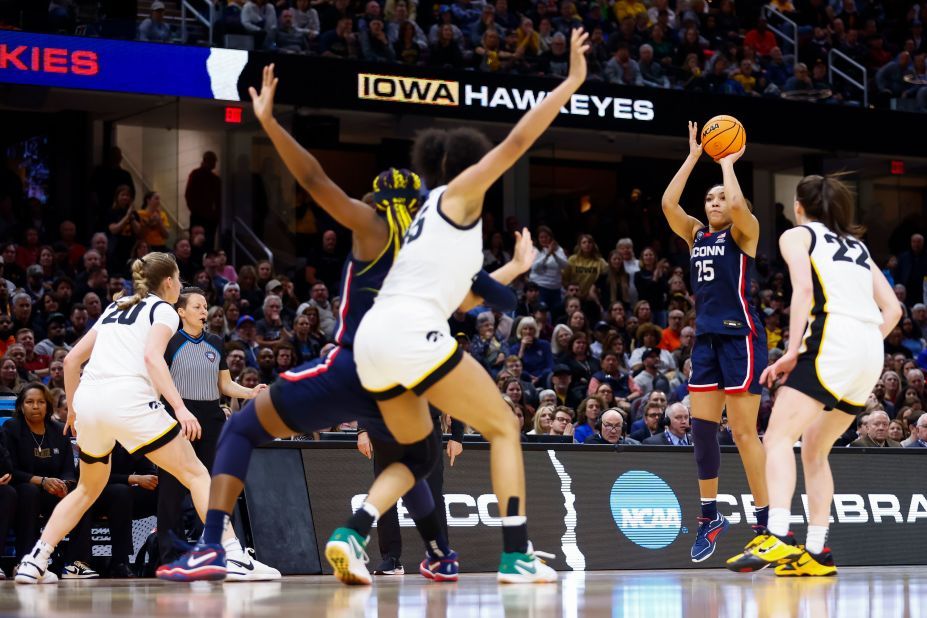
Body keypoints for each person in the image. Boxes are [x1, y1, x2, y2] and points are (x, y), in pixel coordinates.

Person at [161, 64, 535, 585]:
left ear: (380, 202)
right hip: (406, 373)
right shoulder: (426, 249)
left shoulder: (372, 228)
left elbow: (314, 179)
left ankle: (210, 547)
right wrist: (513, 272)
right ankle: (440, 553)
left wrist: (269, 122)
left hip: (358, 362)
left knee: (243, 429)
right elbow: (475, 294)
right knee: (417, 458)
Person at [349, 30, 589, 585]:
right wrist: (571, 83)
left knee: (414, 458)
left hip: (378, 339)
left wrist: (513, 271)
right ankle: (515, 555)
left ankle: (352, 529)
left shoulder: (426, 218)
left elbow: (461, 299)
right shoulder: (460, 194)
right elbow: (520, 140)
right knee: (505, 425)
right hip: (410, 333)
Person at [13, 253, 260, 584]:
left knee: (87, 488)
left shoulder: (116, 307)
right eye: (179, 279)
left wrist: (73, 409)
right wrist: (180, 407)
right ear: (169, 282)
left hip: (90, 403)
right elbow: (152, 357)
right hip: (129, 400)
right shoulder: (163, 311)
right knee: (197, 473)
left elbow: (71, 361)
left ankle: (36, 559)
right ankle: (234, 554)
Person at [725, 175, 901, 576]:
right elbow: (893, 311)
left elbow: (803, 291)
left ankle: (779, 535)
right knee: (814, 450)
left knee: (778, 437)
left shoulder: (798, 235)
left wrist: (791, 352)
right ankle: (817, 552)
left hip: (832, 338)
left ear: (799, 205)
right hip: (870, 350)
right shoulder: (859, 247)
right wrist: (862, 344)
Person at [661, 121, 769, 562]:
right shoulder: (696, 235)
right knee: (702, 433)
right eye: (709, 198)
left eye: (719, 196)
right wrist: (692, 157)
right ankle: (710, 517)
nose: (714, 202)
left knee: (744, 432)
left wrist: (726, 162)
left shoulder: (746, 232)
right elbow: (669, 202)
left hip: (741, 338)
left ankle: (766, 523)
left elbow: (739, 202)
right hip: (705, 340)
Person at [157, 287, 277, 578]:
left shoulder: (215, 341)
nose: (203, 311)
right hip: (178, 418)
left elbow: (224, 385)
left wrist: (250, 391)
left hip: (212, 419)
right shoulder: (168, 342)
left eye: (205, 306)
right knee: (171, 491)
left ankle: (215, 552)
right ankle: (169, 557)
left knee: (215, 486)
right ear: (180, 311)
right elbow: (159, 382)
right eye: (197, 306)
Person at [4, 383, 96, 579]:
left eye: (40, 402)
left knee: (80, 497)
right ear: (21, 406)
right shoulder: (11, 429)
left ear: (48, 406)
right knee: (29, 494)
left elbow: (68, 470)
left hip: (54, 490)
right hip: (25, 488)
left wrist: (65, 485)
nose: (35, 406)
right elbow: (12, 470)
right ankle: (26, 560)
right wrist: (42, 481)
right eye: (30, 402)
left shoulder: (59, 429)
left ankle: (75, 564)